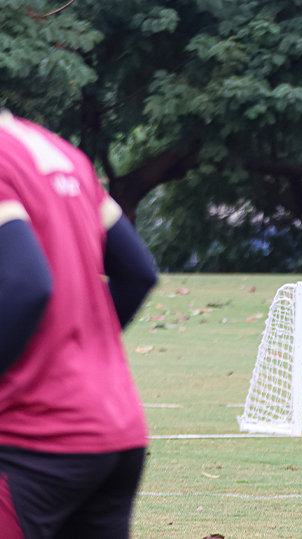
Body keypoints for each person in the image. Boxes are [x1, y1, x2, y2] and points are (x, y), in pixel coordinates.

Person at [0, 109, 157, 538]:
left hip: (32, 441)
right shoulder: (62, 151)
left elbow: (27, 284)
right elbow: (139, 272)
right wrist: (75, 349)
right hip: (115, 431)